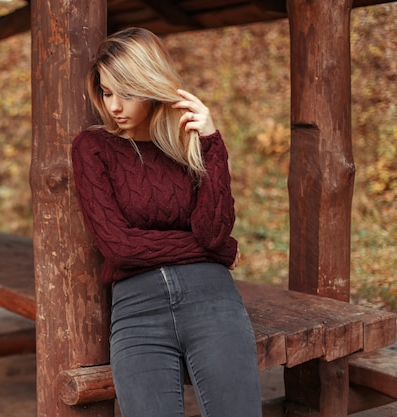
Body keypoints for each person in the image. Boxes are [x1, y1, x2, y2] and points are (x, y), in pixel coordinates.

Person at [71, 27, 262, 417]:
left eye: (126, 92)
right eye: (107, 92)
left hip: (211, 298)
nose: (114, 106)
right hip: (138, 309)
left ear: (151, 87)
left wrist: (211, 142)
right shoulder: (93, 148)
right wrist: (217, 251)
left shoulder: (189, 146)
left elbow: (211, 230)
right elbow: (119, 247)